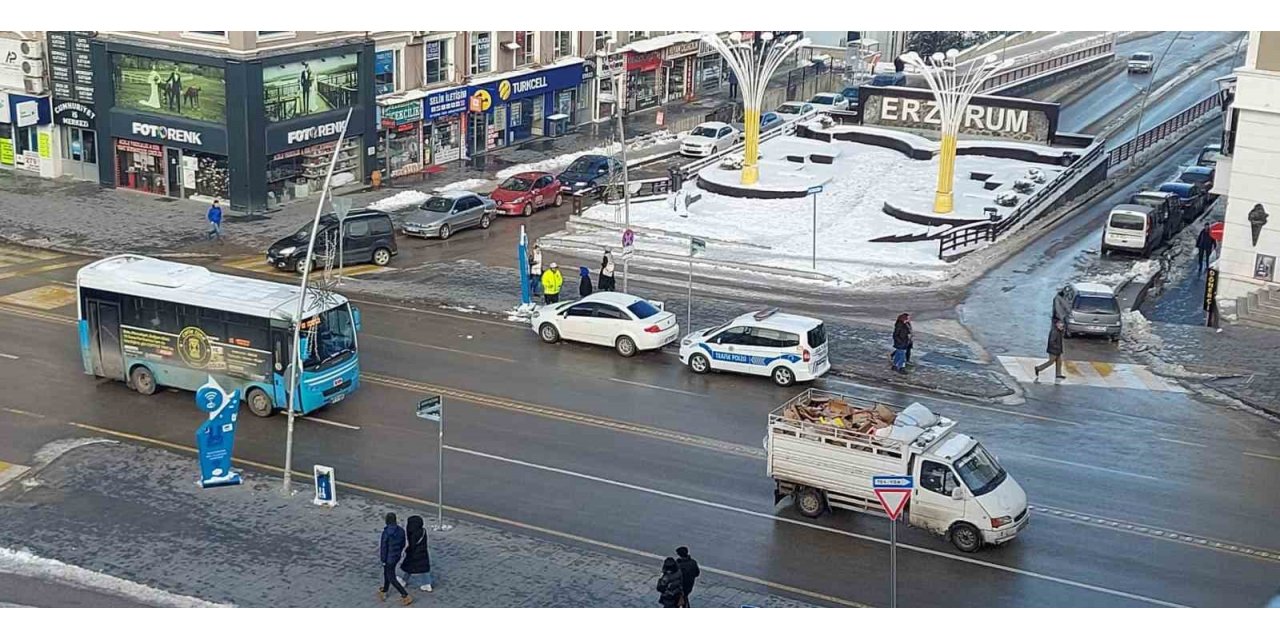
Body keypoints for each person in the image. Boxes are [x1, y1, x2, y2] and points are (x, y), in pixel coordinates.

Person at [378, 512, 413, 605]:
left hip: (388, 558)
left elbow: (383, 547)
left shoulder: (386, 533)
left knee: (391, 577)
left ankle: (405, 595)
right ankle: (385, 589)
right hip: (396, 556)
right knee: (387, 572)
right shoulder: (401, 530)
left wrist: (383, 560)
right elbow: (403, 543)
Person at [400, 515, 434, 593]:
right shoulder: (423, 531)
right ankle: (427, 584)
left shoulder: (413, 534)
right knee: (424, 569)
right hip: (423, 553)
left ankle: (404, 581)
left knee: (409, 568)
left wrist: (406, 550)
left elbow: (412, 545)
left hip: (414, 554)